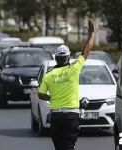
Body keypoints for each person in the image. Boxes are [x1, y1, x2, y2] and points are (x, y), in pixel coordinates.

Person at [38, 19, 95, 150]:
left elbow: (41, 94)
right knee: (69, 147)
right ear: (68, 58)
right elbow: (86, 51)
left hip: (56, 117)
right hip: (71, 116)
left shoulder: (48, 75)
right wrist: (91, 34)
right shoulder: (74, 69)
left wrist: (51, 98)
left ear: (56, 58)